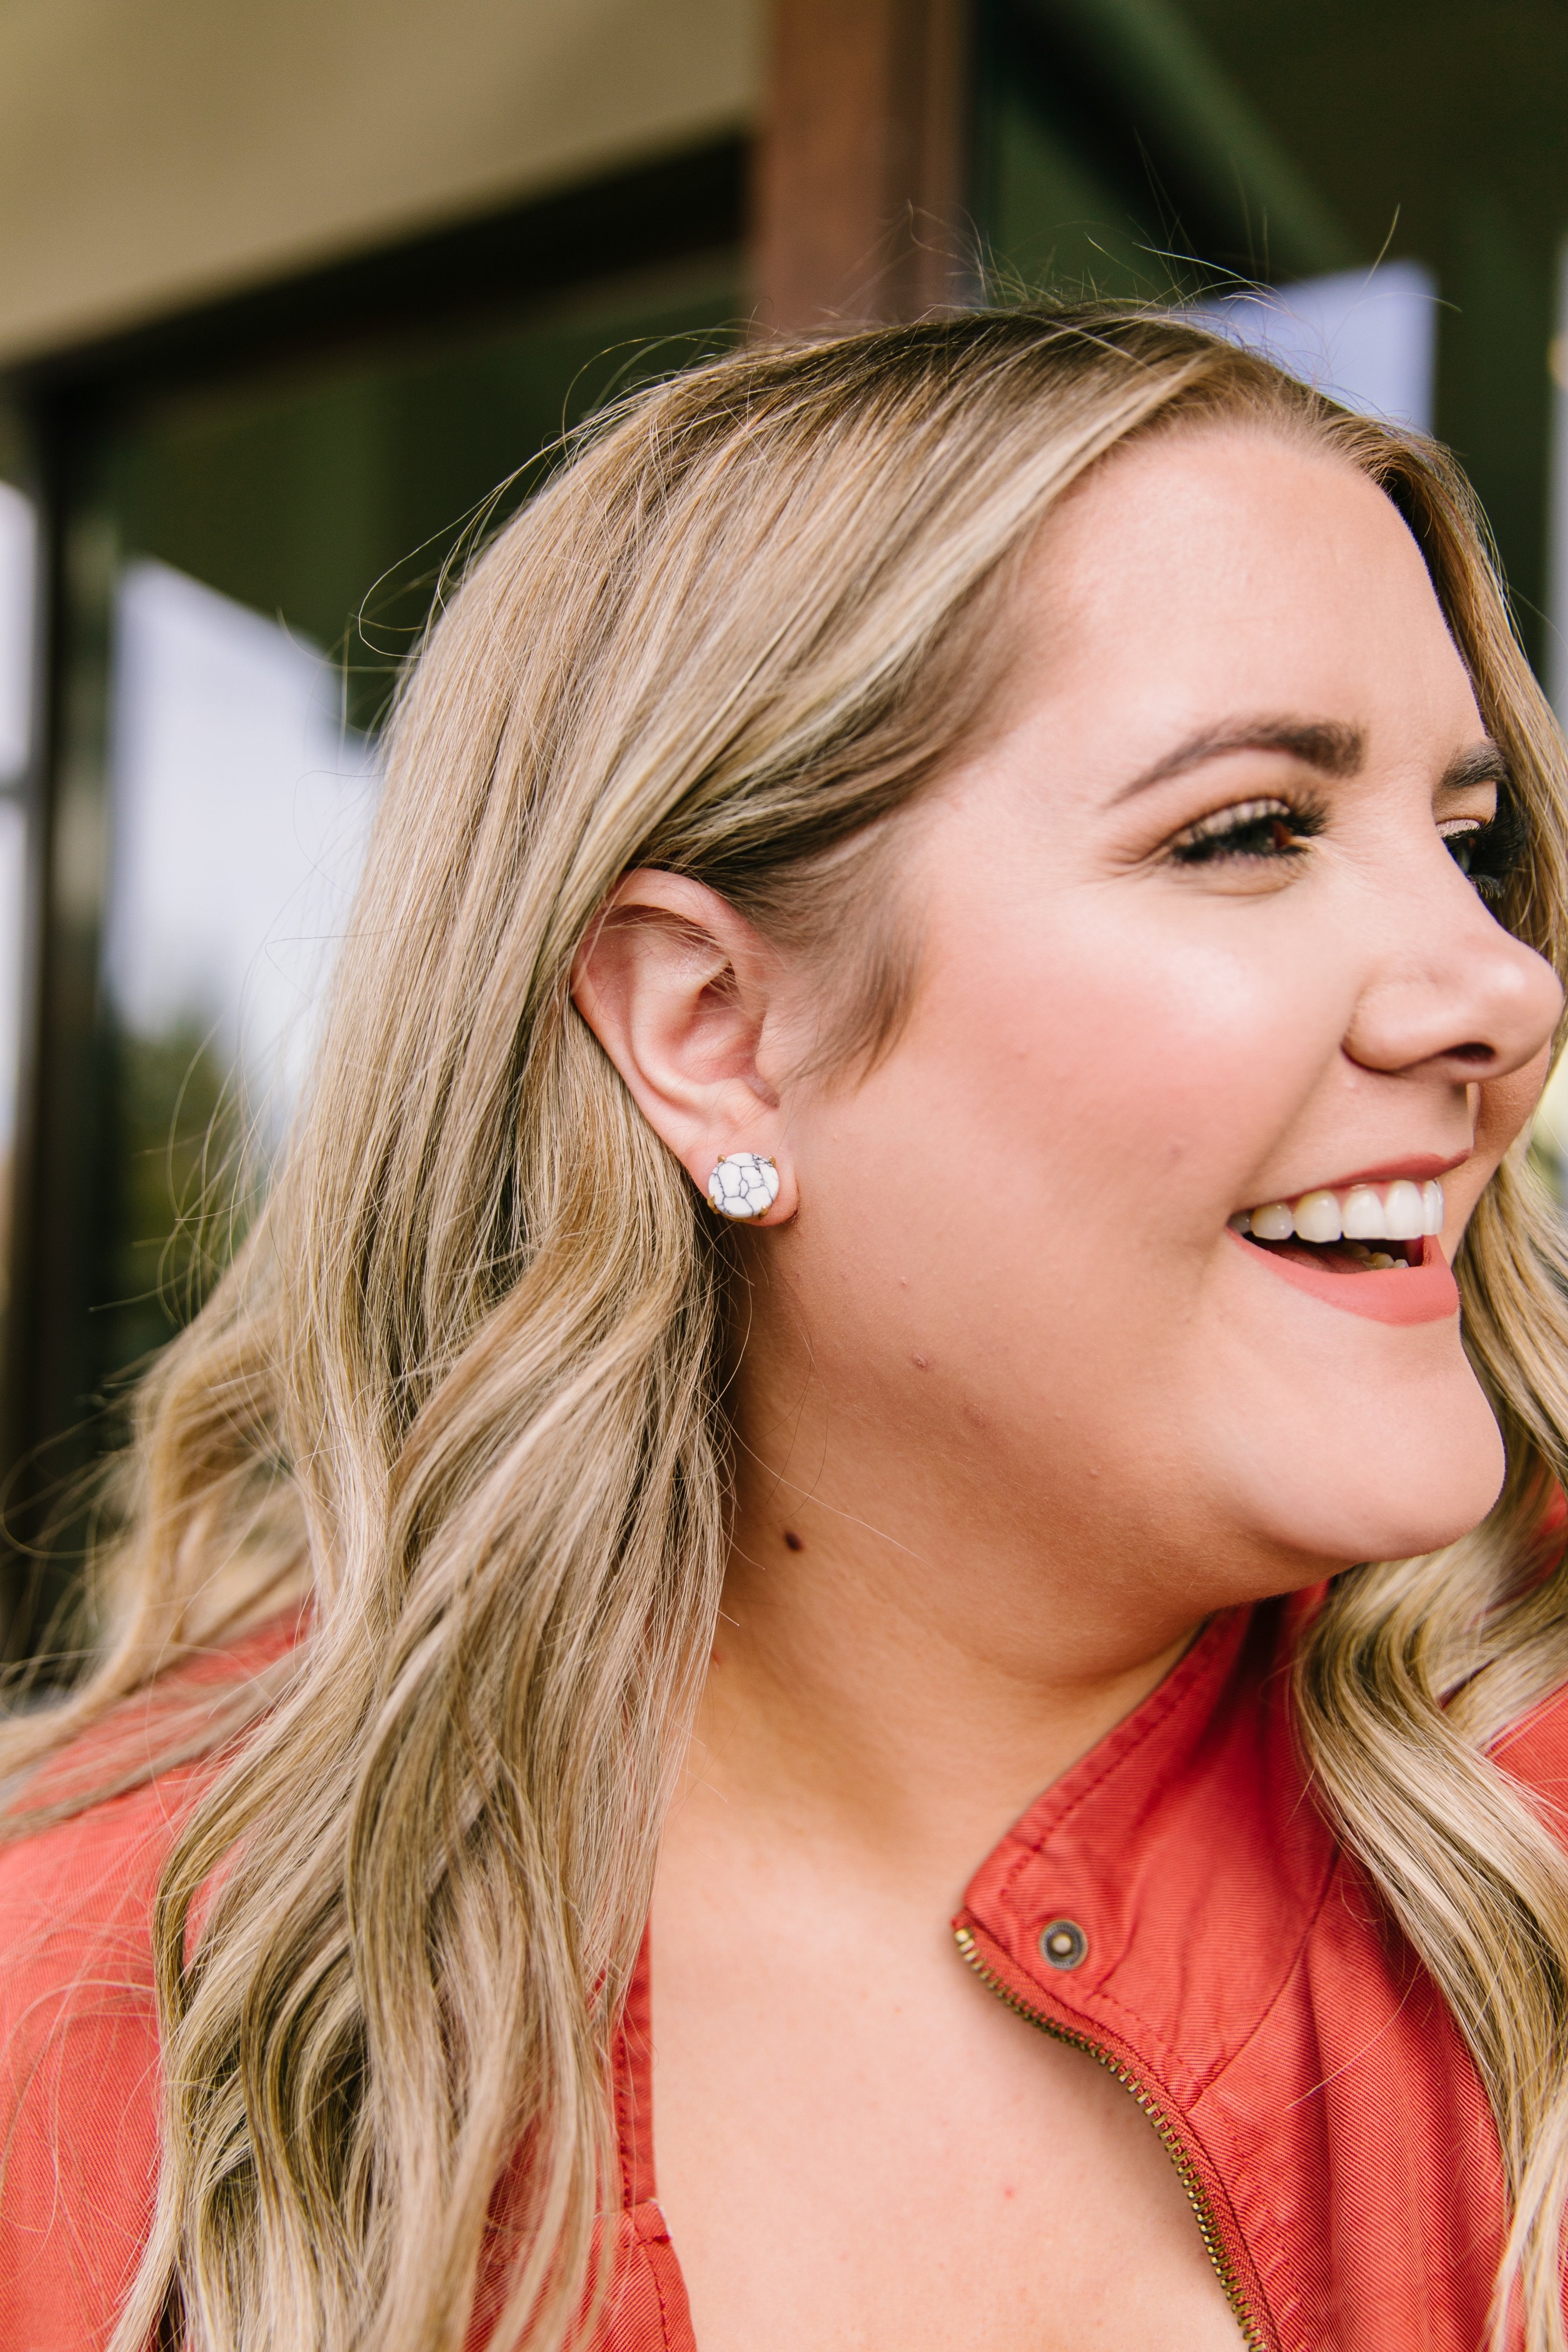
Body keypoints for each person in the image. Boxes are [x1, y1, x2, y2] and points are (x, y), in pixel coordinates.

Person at [3, 305, 1568, 2352]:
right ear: (712, 1036)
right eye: (1250, 832)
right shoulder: (91, 2024)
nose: (1501, 991)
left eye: (1469, 847)